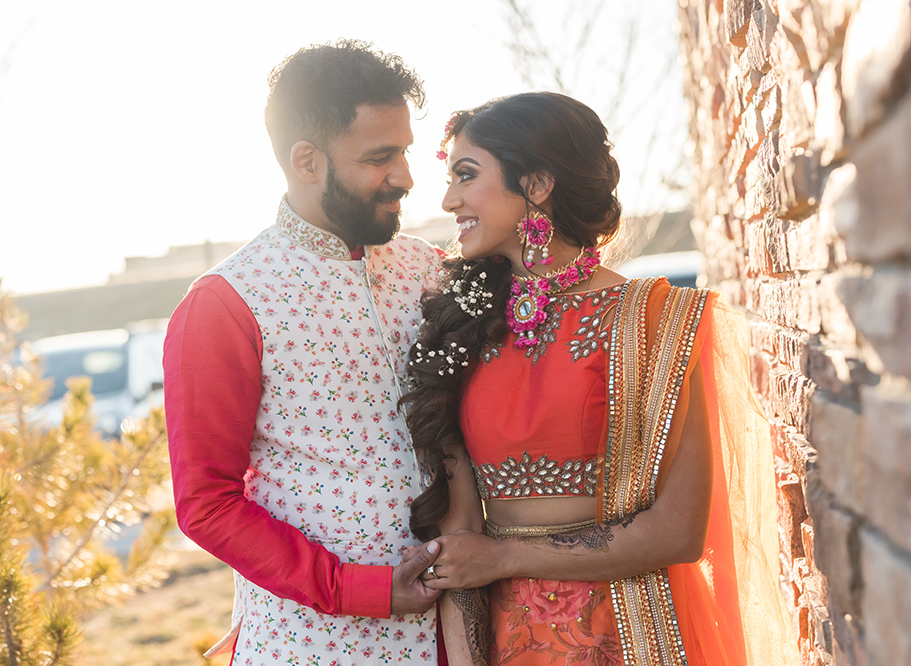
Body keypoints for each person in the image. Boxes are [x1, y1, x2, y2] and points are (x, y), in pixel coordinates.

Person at [401, 92, 800, 665]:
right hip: (505, 638)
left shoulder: (657, 320)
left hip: (634, 628)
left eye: (466, 175)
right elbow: (458, 544)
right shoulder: (460, 327)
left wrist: (507, 557)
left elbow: (678, 532)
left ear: (537, 184)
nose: (448, 198)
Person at [163, 41, 446, 665]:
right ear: (307, 161)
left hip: (454, 633)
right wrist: (360, 588)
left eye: (404, 151)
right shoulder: (228, 302)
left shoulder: (430, 269)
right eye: (380, 157)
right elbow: (207, 504)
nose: (405, 176)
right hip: (314, 643)